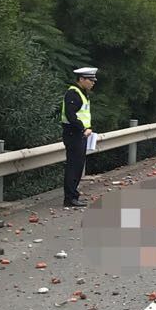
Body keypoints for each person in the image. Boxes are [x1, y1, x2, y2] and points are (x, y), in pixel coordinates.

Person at [61, 66, 97, 208]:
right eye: (90, 80)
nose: (93, 83)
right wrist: (83, 129)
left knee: (77, 166)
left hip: (80, 134)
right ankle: (70, 198)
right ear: (81, 79)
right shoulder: (73, 93)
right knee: (73, 166)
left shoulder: (82, 93)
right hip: (74, 134)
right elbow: (71, 116)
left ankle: (73, 196)